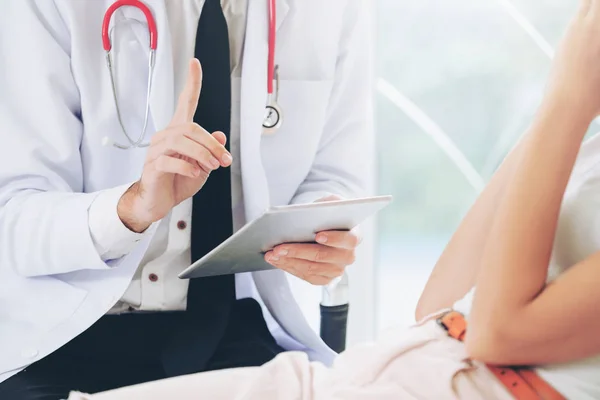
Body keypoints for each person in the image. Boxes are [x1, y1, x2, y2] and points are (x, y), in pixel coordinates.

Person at [65, 0, 600, 398]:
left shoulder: (571, 107)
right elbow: (439, 305)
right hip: (367, 374)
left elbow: (497, 335)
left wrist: (568, 99)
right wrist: (564, 112)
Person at [0, 0, 372, 399]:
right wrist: (130, 208)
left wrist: (316, 232)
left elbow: (332, 174)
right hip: (61, 330)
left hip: (224, 324)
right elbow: (14, 216)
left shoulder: (330, 10)